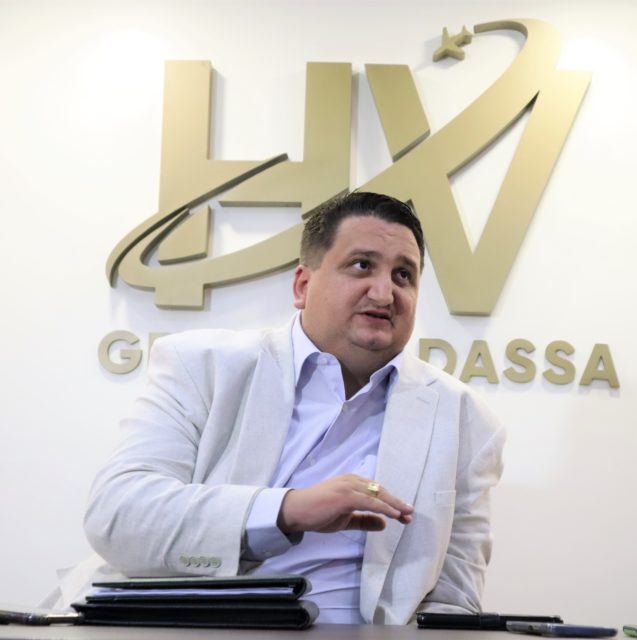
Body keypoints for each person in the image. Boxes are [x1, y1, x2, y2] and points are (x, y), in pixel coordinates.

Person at [83, 192, 505, 624]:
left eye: (403, 275)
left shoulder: (465, 420)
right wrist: (287, 510)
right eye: (362, 265)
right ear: (303, 286)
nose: (384, 293)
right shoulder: (202, 366)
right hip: (195, 628)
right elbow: (118, 515)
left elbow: (454, 600)